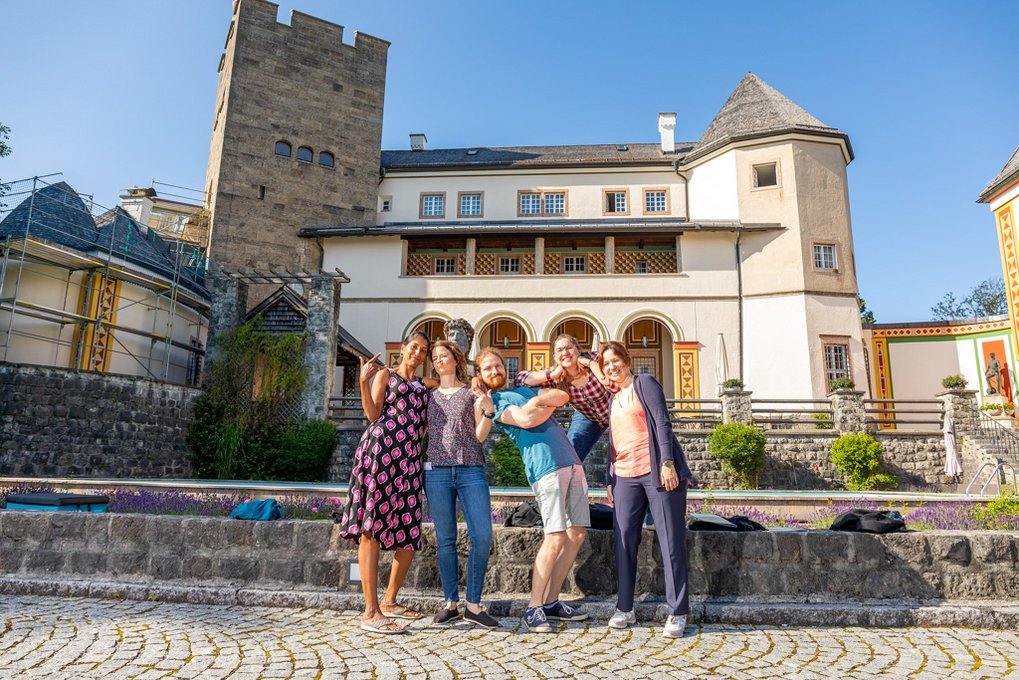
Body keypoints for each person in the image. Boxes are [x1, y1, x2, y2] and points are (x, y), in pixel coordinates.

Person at [476, 347, 590, 633]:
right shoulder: (493, 402)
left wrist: (538, 401)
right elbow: (526, 421)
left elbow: (562, 395)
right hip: (545, 466)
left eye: (498, 366)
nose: (495, 371)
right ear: (480, 374)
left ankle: (552, 601)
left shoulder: (526, 390)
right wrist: (544, 403)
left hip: (572, 462)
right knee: (554, 536)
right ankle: (533, 607)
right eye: (488, 368)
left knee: (576, 534)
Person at [337, 331, 431, 634]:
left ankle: (390, 600)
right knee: (371, 528)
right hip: (379, 455)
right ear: (403, 349)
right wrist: (363, 381)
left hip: (408, 462)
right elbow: (372, 413)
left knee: (409, 532)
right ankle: (370, 610)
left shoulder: (423, 387)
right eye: (413, 347)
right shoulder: (386, 375)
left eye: (423, 351)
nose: (417, 353)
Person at [600, 341, 692, 639]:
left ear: (626, 360)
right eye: (606, 364)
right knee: (624, 542)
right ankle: (625, 608)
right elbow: (613, 443)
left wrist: (667, 462)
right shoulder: (613, 399)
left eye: (615, 360)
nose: (612, 367)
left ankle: (677, 611)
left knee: (671, 542)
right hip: (625, 477)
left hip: (656, 471)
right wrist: (611, 479)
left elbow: (662, 423)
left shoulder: (644, 383)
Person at [424, 340, 500, 629]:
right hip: (437, 473)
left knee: (482, 535)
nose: (440, 360)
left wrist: (489, 410)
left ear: (456, 359)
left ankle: (473, 605)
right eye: (436, 357)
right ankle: (450, 603)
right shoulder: (429, 396)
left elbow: (480, 435)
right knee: (445, 540)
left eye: (445, 356)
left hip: (470, 470)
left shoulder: (472, 392)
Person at [515, 333, 613, 461]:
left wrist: (590, 363)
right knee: (569, 454)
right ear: (555, 357)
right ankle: (571, 480)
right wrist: (551, 374)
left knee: (624, 453)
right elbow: (520, 379)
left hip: (616, 411)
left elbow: (611, 378)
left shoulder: (595, 359)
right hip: (587, 417)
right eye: (560, 350)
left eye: (569, 347)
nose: (565, 353)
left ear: (578, 349)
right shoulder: (557, 376)